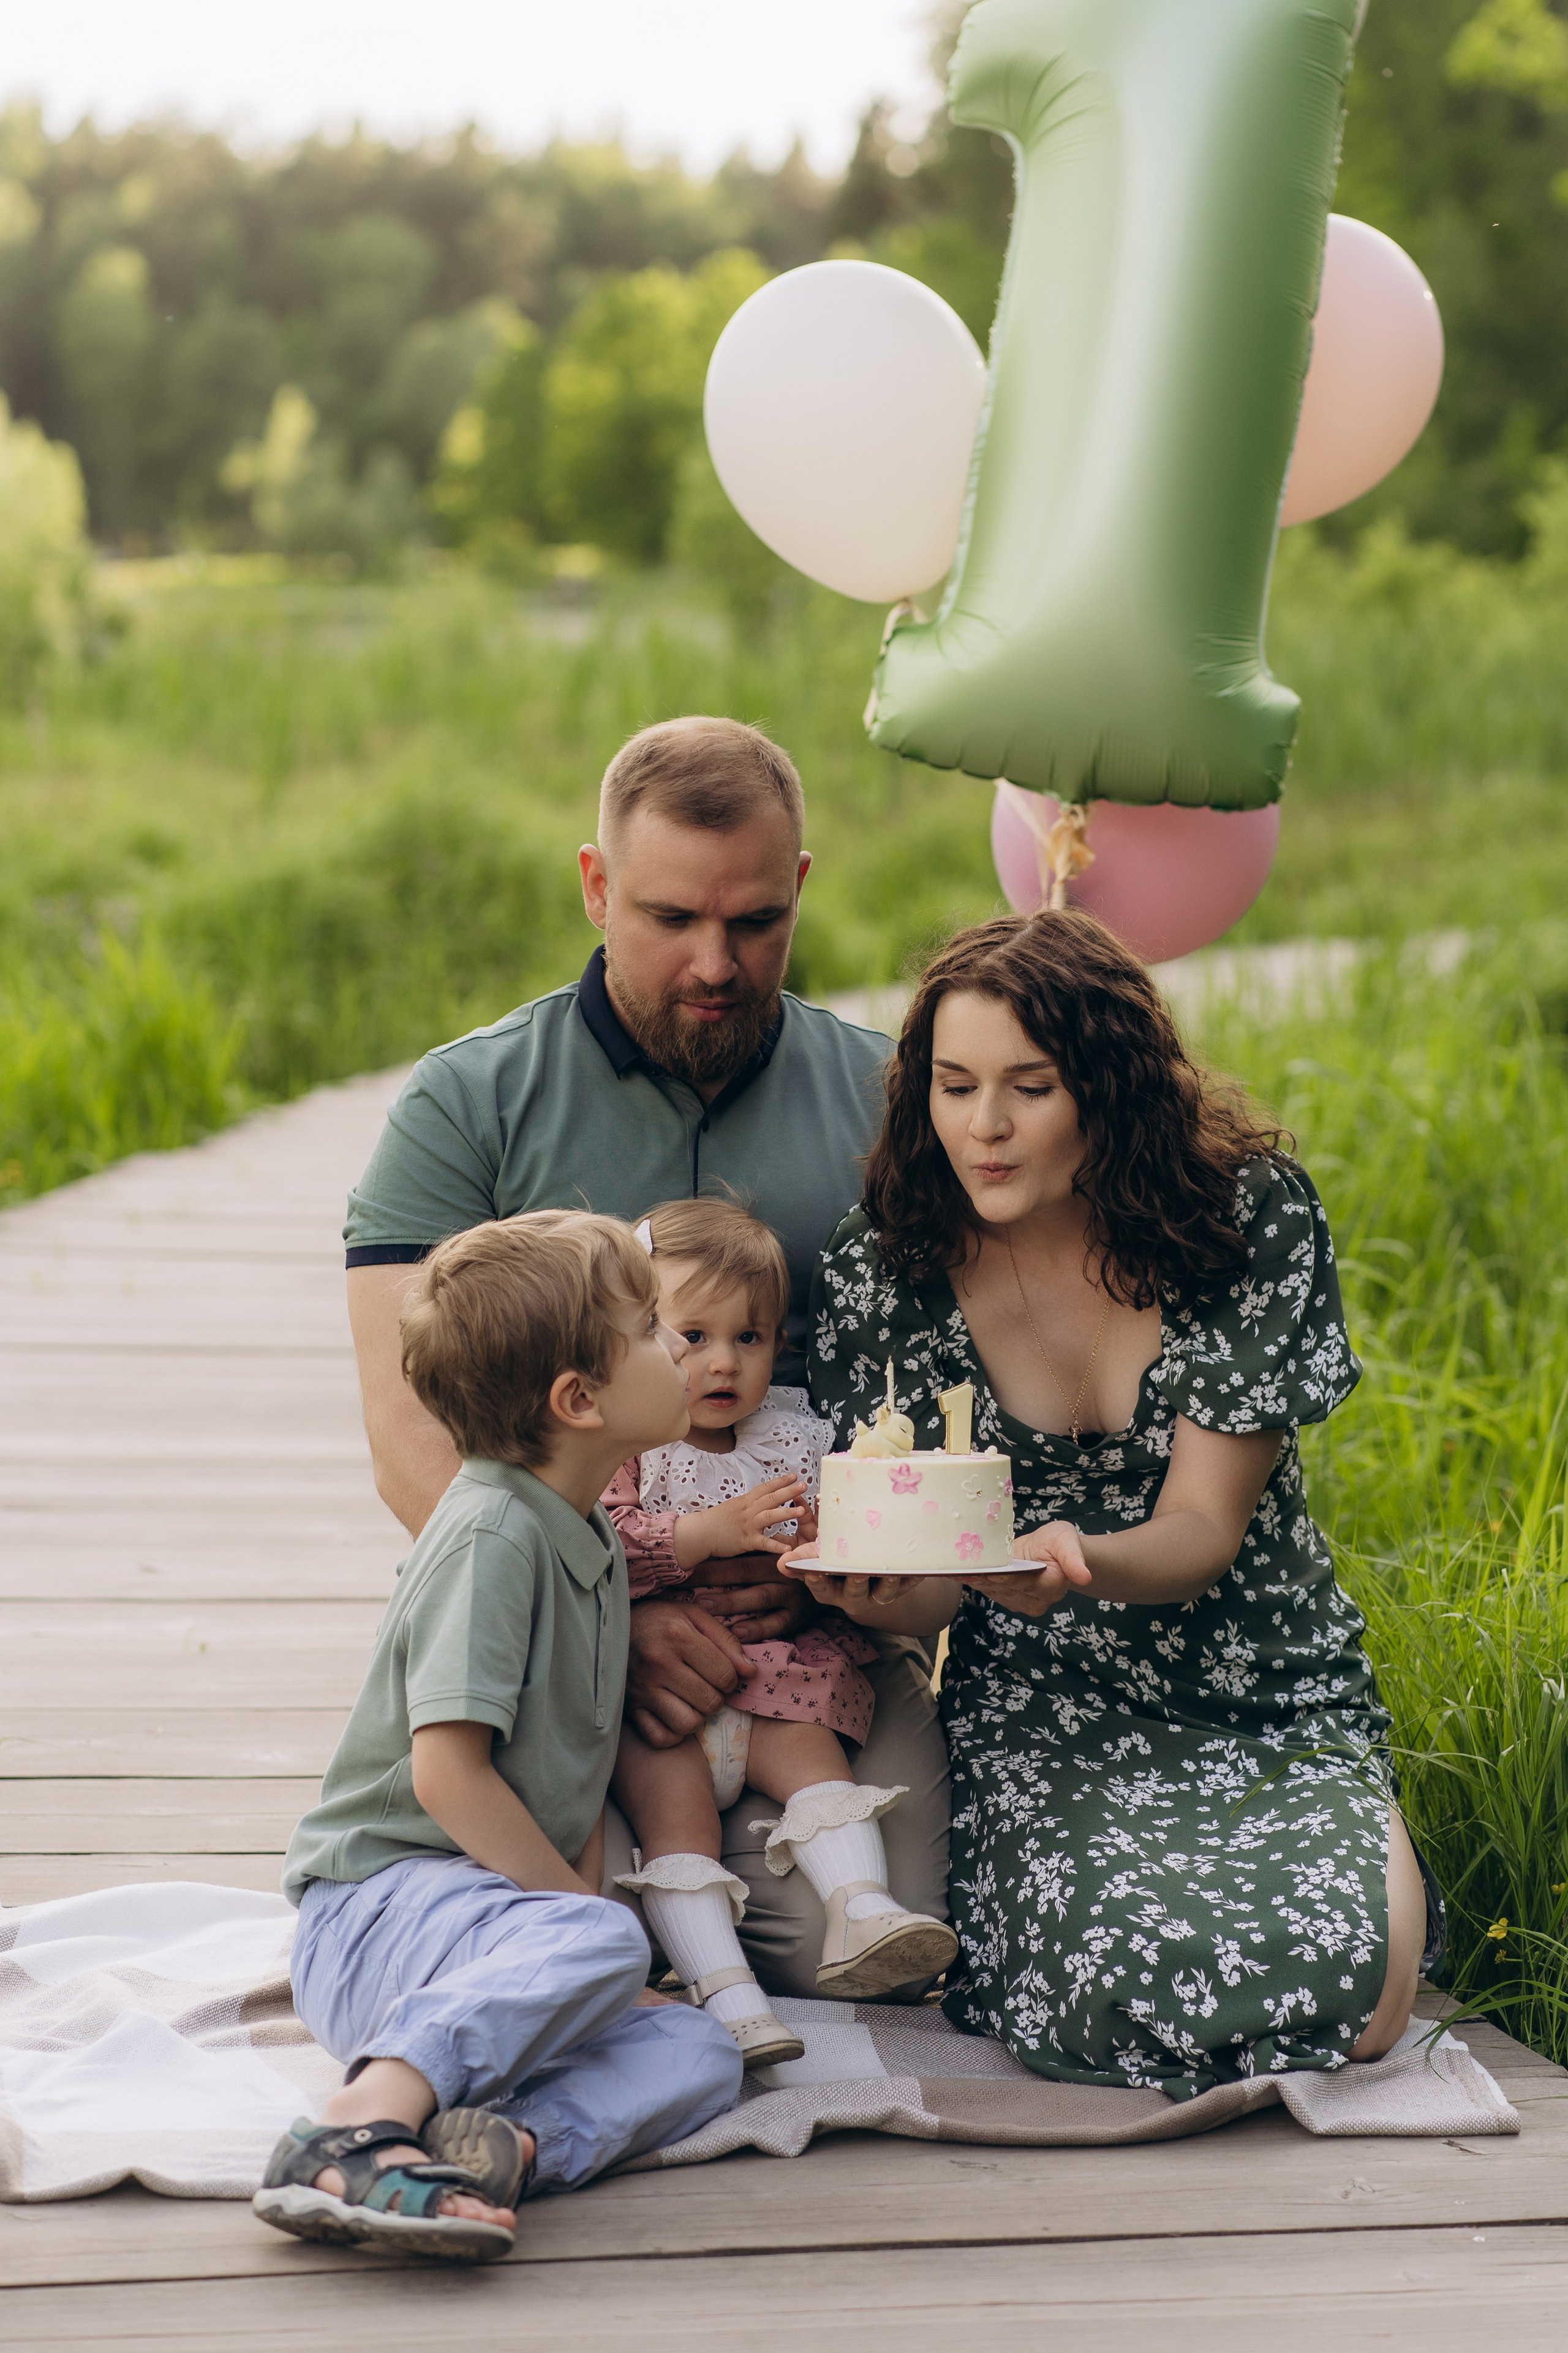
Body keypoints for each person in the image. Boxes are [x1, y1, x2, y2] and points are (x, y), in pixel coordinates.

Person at [342, 716, 949, 1991]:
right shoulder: (465, 1104)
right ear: (595, 885)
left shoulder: (891, 1100)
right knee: (589, 1916)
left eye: (755, 922)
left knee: (868, 1934)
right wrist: (620, 1616)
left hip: (822, 1638)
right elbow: (413, 1444)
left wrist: (840, 1576)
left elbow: (939, 1399)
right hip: (556, 1633)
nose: (715, 963)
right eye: (671, 917)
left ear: (800, 887)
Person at [799, 908, 1436, 2100]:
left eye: (1029, 1087)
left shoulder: (1240, 1219)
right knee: (1112, 1981)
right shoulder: (887, 1265)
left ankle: (1355, 1847)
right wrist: (878, 1590)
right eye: (954, 1086)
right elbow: (938, 1582)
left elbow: (1202, 1530)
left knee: (1363, 2000)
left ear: (1108, 1089)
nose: (982, 1127)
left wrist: (1079, 1554)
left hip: (1260, 1681)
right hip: (1048, 1702)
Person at [255, 1210, 742, 2264]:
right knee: (610, 1936)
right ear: (580, 1401)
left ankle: (500, 2149)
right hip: (382, 1908)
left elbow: (572, 1775)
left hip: (489, 1933)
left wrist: (582, 1958)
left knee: (698, 2044)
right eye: (652, 1329)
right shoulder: (490, 1533)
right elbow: (447, 1775)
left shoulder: (584, 1530)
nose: (677, 1345)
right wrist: (581, 1929)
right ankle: (353, 2124)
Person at [604, 1196, 958, 2065]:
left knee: (816, 1764)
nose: (724, 1361)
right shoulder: (626, 1442)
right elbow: (602, 1543)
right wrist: (704, 1534)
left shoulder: (793, 1438)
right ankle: (725, 1992)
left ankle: (862, 1907)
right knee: (676, 1823)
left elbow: (835, 1534)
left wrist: (822, 1559)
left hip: (776, 1682)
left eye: (752, 1337)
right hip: (663, 1707)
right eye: (694, 1336)